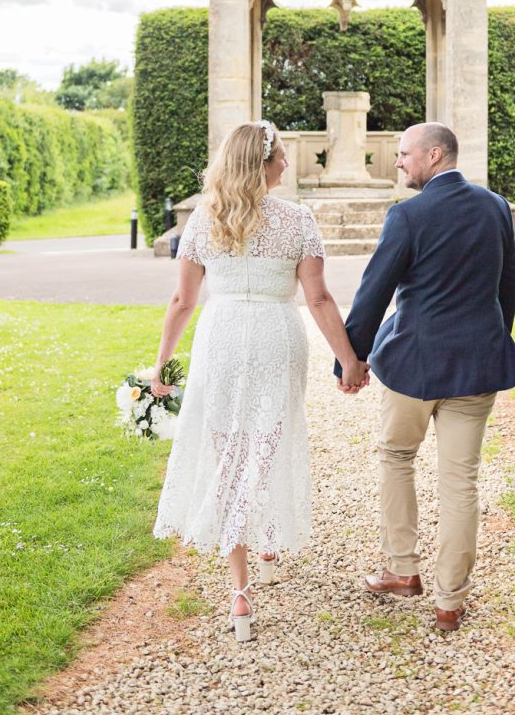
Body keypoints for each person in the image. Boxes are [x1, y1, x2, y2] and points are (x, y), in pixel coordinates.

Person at [152, 120, 368, 641]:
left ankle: (241, 589)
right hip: (276, 335)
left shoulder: (204, 220)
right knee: (266, 442)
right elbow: (318, 298)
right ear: (261, 164)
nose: (288, 163)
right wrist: (348, 360)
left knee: (227, 451)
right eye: (280, 156)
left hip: (221, 336)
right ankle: (263, 543)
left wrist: (162, 363)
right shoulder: (297, 220)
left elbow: (182, 301)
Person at [335, 122, 515, 632]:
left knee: (397, 456)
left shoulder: (408, 215)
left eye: (404, 154)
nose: (398, 162)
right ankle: (450, 600)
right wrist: (493, 340)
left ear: (435, 155)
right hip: (478, 366)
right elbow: (506, 287)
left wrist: (350, 360)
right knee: (461, 480)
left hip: (413, 367)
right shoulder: (495, 206)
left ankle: (402, 569)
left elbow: (373, 292)